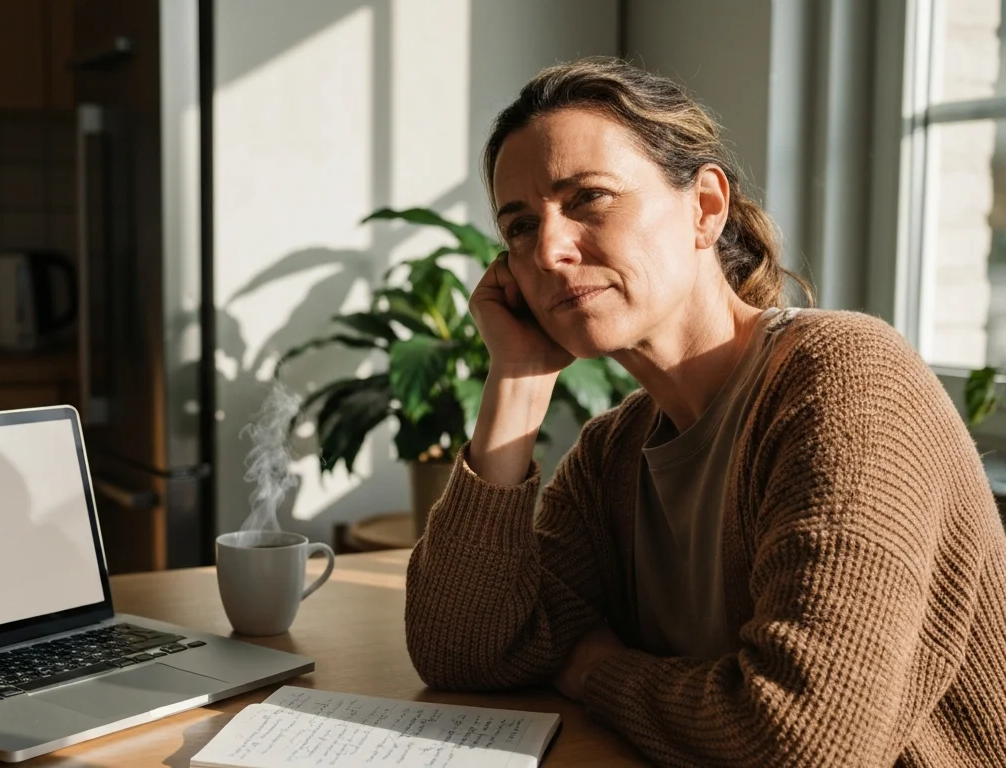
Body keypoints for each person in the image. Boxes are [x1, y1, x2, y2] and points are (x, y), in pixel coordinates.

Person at [405, 56, 1006, 767]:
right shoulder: (611, 455)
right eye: (520, 227)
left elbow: (802, 740)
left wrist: (595, 668)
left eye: (589, 198)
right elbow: (464, 650)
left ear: (705, 207)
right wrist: (516, 378)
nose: (550, 250)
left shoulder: (848, 379)